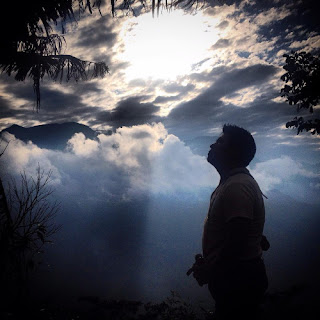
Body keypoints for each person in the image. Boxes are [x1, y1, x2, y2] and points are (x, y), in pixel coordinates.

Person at [192, 124, 269, 320]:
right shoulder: (233, 182)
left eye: (220, 142)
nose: (212, 144)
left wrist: (209, 269)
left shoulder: (237, 186)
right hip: (239, 279)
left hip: (239, 282)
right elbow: (241, 230)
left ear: (233, 152)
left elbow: (238, 239)